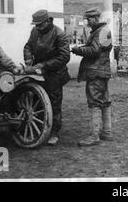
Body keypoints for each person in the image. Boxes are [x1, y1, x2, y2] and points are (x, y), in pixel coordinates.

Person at [23, 10, 71, 146]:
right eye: (36, 25)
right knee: (37, 100)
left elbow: (64, 57)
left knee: (54, 103)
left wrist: (43, 65)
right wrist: (27, 57)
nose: (38, 28)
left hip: (55, 73)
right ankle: (41, 127)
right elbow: (28, 46)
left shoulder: (59, 34)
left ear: (49, 21)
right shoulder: (35, 31)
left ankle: (54, 132)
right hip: (38, 72)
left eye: (40, 25)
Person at [71, 8, 113, 147]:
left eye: (88, 19)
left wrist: (77, 50)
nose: (87, 22)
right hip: (103, 71)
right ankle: (106, 131)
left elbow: (94, 51)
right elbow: (97, 48)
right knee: (104, 100)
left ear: (95, 18)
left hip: (95, 72)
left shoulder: (100, 32)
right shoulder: (103, 31)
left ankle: (94, 135)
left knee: (94, 102)